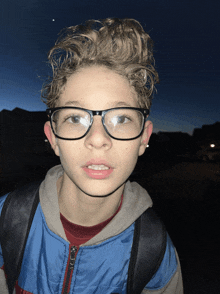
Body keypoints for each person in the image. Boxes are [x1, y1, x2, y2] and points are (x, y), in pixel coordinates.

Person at [0, 18, 183, 293]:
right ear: (53, 138)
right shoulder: (5, 218)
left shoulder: (155, 254)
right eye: (75, 117)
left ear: (143, 138)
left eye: (121, 118)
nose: (98, 139)